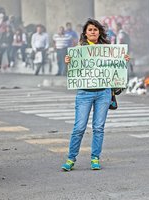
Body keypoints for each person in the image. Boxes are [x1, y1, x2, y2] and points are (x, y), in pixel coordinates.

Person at [61, 18, 130, 171]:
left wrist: (123, 60)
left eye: (95, 29)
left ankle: (95, 158)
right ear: (85, 33)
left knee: (98, 127)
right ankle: (71, 159)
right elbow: (73, 74)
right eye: (90, 30)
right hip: (84, 93)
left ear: (99, 32)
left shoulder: (108, 49)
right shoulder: (78, 49)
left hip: (104, 93)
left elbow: (116, 70)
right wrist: (68, 63)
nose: (93, 32)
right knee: (79, 128)